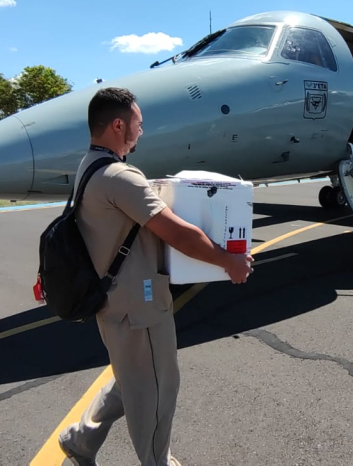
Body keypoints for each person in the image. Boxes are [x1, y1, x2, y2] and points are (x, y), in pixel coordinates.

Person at [58, 87, 253, 466]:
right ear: (118, 125)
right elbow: (179, 233)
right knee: (156, 390)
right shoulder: (120, 176)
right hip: (138, 307)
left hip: (114, 302)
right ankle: (156, 462)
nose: (141, 131)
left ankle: (81, 440)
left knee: (131, 378)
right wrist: (228, 261)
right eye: (138, 124)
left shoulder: (90, 167)